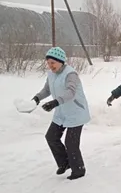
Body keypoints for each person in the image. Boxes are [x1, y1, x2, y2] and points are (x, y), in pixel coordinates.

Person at [32, 47, 90, 180]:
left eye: (53, 63)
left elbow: (71, 92)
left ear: (61, 61)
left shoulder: (71, 74)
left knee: (71, 143)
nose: (50, 65)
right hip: (61, 111)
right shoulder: (51, 74)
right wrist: (37, 98)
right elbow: (47, 90)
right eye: (48, 63)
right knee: (51, 137)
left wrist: (54, 103)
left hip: (76, 112)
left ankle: (78, 169)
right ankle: (65, 162)